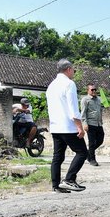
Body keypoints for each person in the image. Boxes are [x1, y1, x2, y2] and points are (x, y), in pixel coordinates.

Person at [46, 59, 88, 193]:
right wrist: (80, 127)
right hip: (68, 126)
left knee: (58, 156)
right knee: (82, 152)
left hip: (55, 126)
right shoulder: (69, 84)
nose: (74, 72)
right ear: (69, 69)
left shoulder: (51, 86)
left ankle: (55, 185)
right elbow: (73, 109)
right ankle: (69, 179)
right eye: (73, 70)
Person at [80, 84, 104, 166]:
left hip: (98, 124)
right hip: (90, 124)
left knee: (100, 140)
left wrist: (101, 122)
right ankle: (92, 159)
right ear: (88, 90)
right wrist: (84, 123)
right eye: (92, 90)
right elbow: (83, 113)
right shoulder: (85, 100)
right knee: (92, 142)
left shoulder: (98, 99)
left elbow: (100, 111)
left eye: (95, 89)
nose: (94, 91)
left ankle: (88, 153)